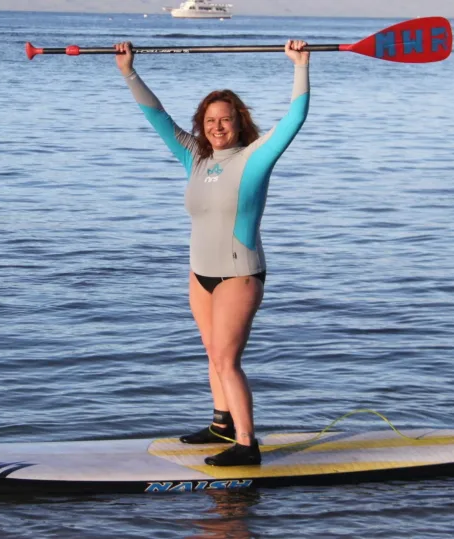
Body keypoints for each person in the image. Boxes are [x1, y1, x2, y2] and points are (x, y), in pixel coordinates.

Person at [115, 40, 310, 466]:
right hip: (199, 273)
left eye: (225, 119)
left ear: (240, 122)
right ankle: (221, 422)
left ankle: (246, 444)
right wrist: (128, 71)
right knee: (211, 351)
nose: (217, 127)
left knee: (227, 359)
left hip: (239, 275)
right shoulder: (194, 157)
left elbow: (294, 118)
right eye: (210, 120)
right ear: (201, 126)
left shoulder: (256, 157)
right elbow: (156, 116)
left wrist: (300, 66)